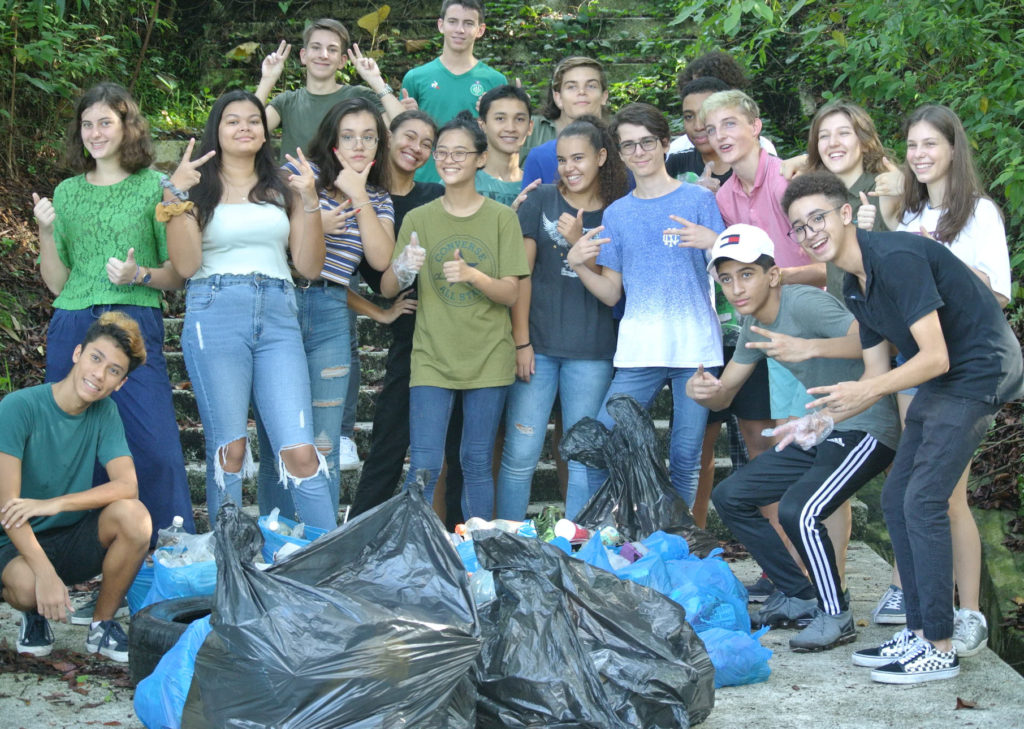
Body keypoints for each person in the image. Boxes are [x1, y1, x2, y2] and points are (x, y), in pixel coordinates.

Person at [781, 170, 1023, 684]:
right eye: (798, 228)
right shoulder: (856, 283)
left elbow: (932, 356)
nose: (810, 233)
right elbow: (874, 376)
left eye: (817, 218)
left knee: (925, 499)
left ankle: (939, 645)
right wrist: (820, 420)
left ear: (846, 213)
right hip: (945, 372)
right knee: (897, 499)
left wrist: (865, 393)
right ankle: (918, 631)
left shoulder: (895, 258)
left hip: (979, 368)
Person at [691, 224, 899, 651]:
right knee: (732, 495)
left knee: (799, 510)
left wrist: (810, 348)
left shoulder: (805, 303)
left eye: (746, 274)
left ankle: (836, 613)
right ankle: (799, 597)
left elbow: (875, 340)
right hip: (821, 429)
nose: (736, 287)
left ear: (772, 275)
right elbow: (726, 394)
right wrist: (708, 393)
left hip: (866, 423)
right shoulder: (752, 324)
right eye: (726, 278)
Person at [162, 89, 337, 531]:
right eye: (232, 120)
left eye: (253, 120)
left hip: (279, 313)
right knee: (231, 448)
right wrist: (173, 194)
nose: (244, 127)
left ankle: (334, 559)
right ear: (216, 132)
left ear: (265, 131)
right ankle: (231, 561)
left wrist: (311, 199)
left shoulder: (284, 185)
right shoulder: (195, 187)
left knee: (299, 450)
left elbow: (311, 266)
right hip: (215, 310)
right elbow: (185, 266)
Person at [873, 103, 1012, 653]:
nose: (919, 155)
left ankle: (968, 611)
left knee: (947, 495)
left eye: (930, 144)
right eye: (911, 146)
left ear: (954, 148)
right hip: (917, 370)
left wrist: (950, 269)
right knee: (918, 493)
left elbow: (999, 293)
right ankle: (926, 611)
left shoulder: (979, 214)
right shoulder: (907, 218)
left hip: (965, 373)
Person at [32, 82, 193, 556]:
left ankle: (168, 556)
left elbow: (177, 274)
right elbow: (59, 283)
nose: (96, 132)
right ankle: (73, 562)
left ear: (128, 127)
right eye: (88, 123)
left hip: (132, 321)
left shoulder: (154, 187)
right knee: (68, 450)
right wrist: (45, 231)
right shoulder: (66, 192)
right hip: (72, 326)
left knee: (154, 444)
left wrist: (137, 273)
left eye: (106, 122)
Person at [567, 103, 725, 506]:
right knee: (599, 447)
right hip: (640, 350)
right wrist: (580, 265)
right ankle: (619, 528)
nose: (639, 153)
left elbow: (730, 274)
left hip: (696, 349)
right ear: (618, 154)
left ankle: (677, 547)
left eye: (647, 143)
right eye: (629, 146)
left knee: (686, 459)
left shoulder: (698, 201)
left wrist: (714, 244)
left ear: (665, 145)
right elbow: (611, 293)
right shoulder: (617, 214)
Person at [381, 111, 529, 519]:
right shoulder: (418, 218)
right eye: (441, 152)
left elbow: (511, 291)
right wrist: (403, 268)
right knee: (424, 464)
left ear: (480, 159)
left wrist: (472, 275)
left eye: (460, 152)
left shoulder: (501, 219)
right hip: (431, 357)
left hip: (488, 357)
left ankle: (476, 551)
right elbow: (387, 289)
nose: (448, 159)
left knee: (477, 461)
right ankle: (420, 551)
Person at [254, 97, 396, 516]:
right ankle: (275, 541)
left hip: (332, 312)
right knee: (277, 440)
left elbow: (383, 258)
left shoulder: (378, 196)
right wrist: (312, 217)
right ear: (332, 141)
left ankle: (321, 546)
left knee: (324, 441)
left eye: (368, 137)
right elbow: (257, 236)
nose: (358, 145)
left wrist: (359, 196)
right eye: (348, 136)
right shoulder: (299, 176)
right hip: (280, 305)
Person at [496, 116, 628, 520]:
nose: (570, 168)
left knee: (585, 455)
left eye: (579, 158)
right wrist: (521, 341)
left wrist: (577, 241)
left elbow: (612, 289)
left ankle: (577, 548)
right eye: (562, 160)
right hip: (538, 346)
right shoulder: (541, 200)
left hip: (592, 351)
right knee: (521, 451)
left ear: (602, 157)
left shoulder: (618, 212)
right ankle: (507, 538)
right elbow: (521, 276)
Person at [0, 312, 152, 662]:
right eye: (96, 358)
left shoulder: (106, 413)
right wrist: (44, 573)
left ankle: (102, 626)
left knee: (135, 517)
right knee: (26, 588)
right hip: (17, 542)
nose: (99, 374)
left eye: (114, 370)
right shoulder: (18, 407)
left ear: (120, 383)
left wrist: (54, 504)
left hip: (72, 537)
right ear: (77, 353)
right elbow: (8, 506)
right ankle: (35, 614)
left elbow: (128, 486)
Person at [349, 110, 444, 516]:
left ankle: (449, 531)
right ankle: (359, 529)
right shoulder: (361, 195)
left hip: (450, 326)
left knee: (452, 445)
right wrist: (380, 311)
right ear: (388, 137)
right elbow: (326, 272)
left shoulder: (435, 194)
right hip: (409, 330)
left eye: (426, 143)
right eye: (409, 137)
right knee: (390, 438)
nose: (416, 148)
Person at [255, 18, 405, 162]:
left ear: (342, 61)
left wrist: (376, 82)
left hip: (346, 186)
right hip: (294, 186)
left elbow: (404, 130)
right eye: (316, 47)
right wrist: (267, 80)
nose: (323, 55)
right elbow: (249, 131)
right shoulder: (286, 102)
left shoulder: (360, 97)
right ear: (303, 55)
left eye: (332, 49)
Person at [802, 99, 900, 298]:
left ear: (864, 142)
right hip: (841, 320)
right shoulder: (818, 199)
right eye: (824, 136)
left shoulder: (885, 190)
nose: (833, 143)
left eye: (844, 133)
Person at [401, 0, 507, 182]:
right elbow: (399, 137)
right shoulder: (415, 77)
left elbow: (503, 139)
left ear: (480, 30)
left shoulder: (495, 80)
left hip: (475, 184)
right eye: (453, 21)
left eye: (468, 23)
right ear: (441, 25)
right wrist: (406, 116)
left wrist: (489, 117)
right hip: (423, 181)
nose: (460, 30)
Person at [520, 56, 609, 187]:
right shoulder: (536, 144)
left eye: (591, 85)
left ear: (604, 96)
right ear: (558, 97)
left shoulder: (620, 140)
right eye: (572, 86)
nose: (582, 92)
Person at [475, 84, 533, 205]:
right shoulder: (462, 183)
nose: (510, 128)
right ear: (482, 125)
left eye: (519, 119)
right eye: (500, 118)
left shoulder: (536, 185)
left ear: (530, 127)